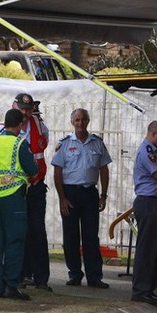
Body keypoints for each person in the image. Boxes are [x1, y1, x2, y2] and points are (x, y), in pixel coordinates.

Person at [0, 108, 38, 300]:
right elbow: (33, 169)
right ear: (20, 125)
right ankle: (11, 286)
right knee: (15, 242)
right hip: (13, 199)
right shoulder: (20, 144)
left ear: (4, 123)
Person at [51, 108, 112, 289]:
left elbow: (104, 170)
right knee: (71, 237)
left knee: (91, 237)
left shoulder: (98, 143)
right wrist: (62, 198)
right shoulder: (64, 143)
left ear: (88, 121)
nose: (80, 123)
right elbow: (57, 171)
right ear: (72, 122)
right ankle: (75, 274)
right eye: (77, 120)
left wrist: (103, 195)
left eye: (83, 120)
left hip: (89, 193)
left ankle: (94, 277)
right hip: (70, 193)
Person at [1, 93, 52, 291]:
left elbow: (43, 146)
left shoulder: (39, 125)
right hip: (16, 189)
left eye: (28, 109)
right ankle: (19, 275)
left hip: (36, 186)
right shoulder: (3, 128)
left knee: (38, 231)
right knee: (18, 232)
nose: (25, 113)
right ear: (14, 106)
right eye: (22, 109)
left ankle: (41, 279)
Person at [131, 120, 157, 305]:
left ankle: (149, 288)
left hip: (155, 203)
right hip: (148, 203)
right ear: (154, 134)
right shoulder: (147, 152)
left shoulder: (153, 152)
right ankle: (141, 290)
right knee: (147, 249)